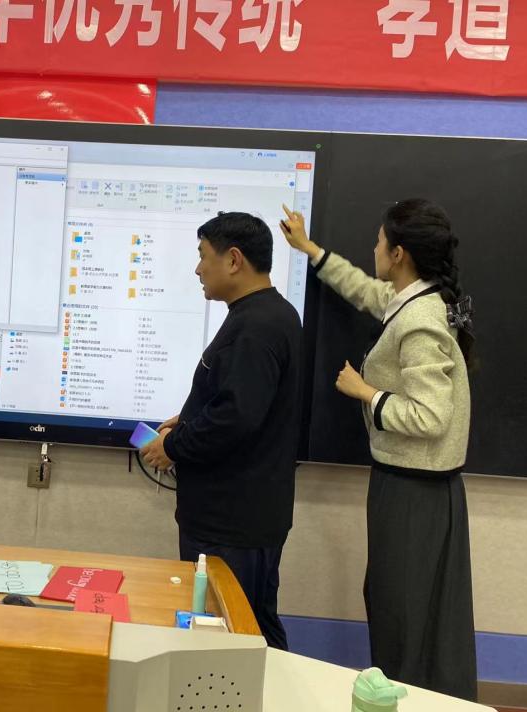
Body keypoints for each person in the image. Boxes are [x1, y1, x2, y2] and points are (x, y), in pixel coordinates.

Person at [280, 199, 477, 700]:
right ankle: (407, 699)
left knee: (401, 614)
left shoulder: (421, 321)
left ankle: (398, 702)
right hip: (413, 489)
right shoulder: (413, 298)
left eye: (379, 241)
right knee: (402, 609)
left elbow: (430, 418)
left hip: (414, 494)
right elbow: (365, 290)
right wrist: (310, 250)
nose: (373, 248)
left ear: (398, 253)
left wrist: (366, 392)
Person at [141, 211, 303, 650]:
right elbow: (246, 401)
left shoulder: (256, 326)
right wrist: (189, 419)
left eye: (203, 256)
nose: (198, 269)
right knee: (255, 628)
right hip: (246, 515)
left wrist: (174, 445)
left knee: (229, 641)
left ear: (233, 260)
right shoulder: (270, 314)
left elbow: (237, 417)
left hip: (231, 524)